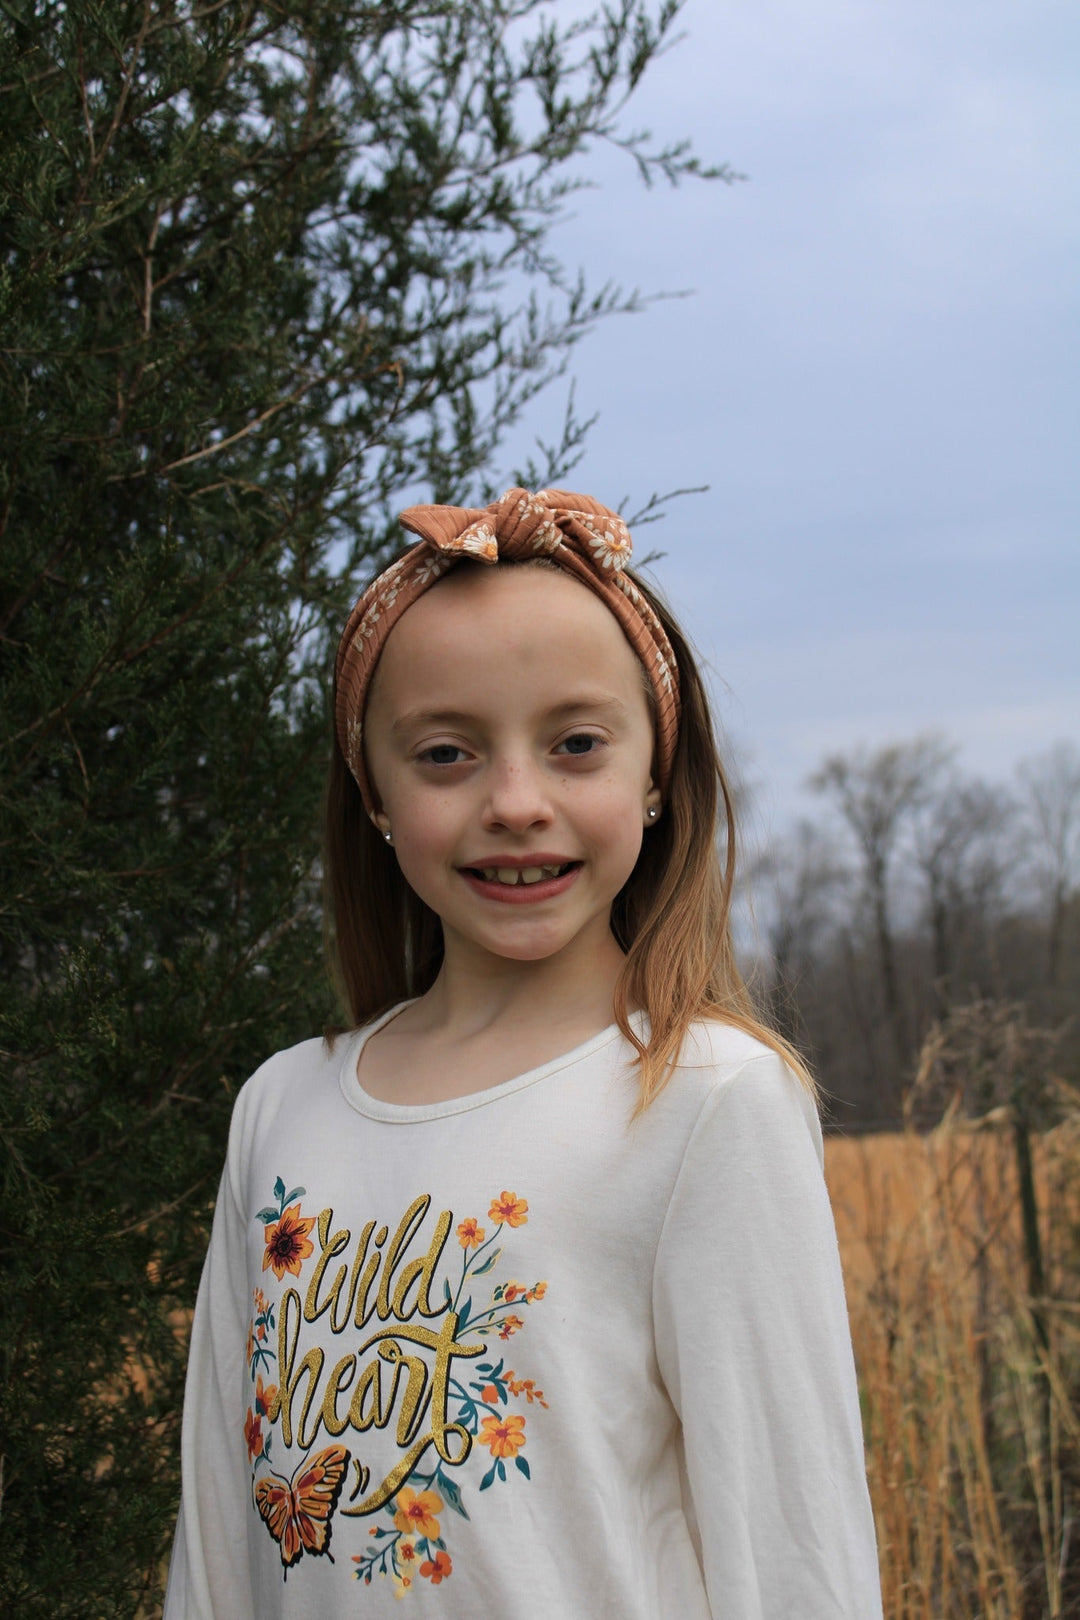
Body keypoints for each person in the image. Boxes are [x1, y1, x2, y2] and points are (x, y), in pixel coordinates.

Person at [164, 487, 883, 1618]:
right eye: (446, 753)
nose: (515, 802)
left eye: (577, 745)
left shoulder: (707, 1098)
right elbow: (217, 1536)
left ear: (655, 772)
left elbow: (797, 1549)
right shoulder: (284, 1106)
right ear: (377, 794)